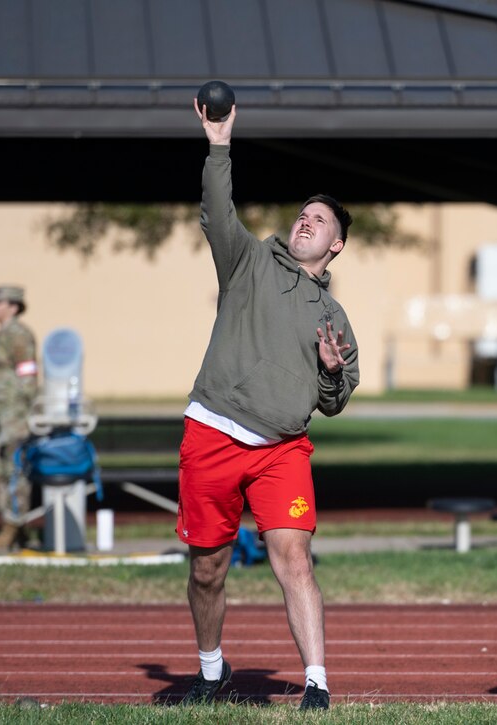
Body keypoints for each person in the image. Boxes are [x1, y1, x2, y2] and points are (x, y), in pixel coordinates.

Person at [177, 97, 359, 710]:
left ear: (336, 246)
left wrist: (332, 374)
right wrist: (219, 145)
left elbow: (336, 401)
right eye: (304, 215)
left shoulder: (333, 316)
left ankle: (316, 685)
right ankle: (209, 673)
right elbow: (215, 212)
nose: (307, 222)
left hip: (282, 450)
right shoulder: (248, 261)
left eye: (321, 221)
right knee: (208, 569)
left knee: (294, 558)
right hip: (213, 433)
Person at [0, 285, 38, 549]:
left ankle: (13, 525)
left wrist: (21, 413)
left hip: (13, 414)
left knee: (10, 470)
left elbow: (28, 376)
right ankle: (15, 523)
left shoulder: (18, 335)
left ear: (13, 306)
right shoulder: (3, 334)